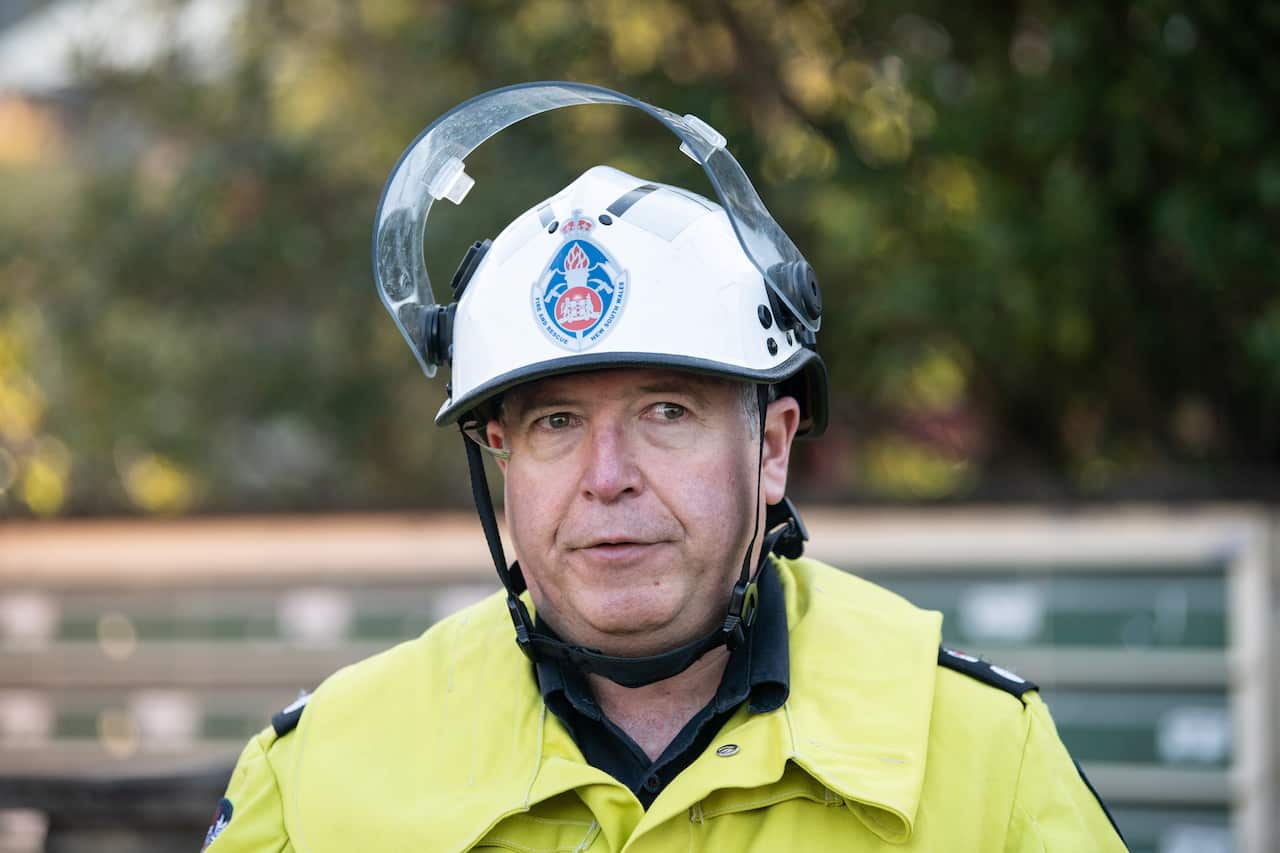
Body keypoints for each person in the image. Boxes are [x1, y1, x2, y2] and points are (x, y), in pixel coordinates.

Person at [203, 83, 1127, 851]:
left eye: (666, 412)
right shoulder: (318, 779)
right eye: (557, 422)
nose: (607, 476)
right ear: (502, 457)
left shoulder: (981, 756)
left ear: (771, 447)